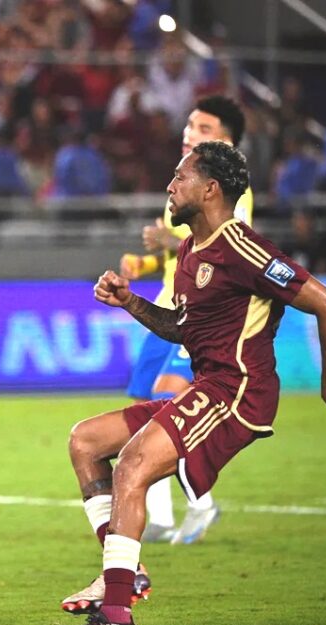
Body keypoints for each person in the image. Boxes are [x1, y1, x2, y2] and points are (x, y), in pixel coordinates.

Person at [51, 141, 326, 625]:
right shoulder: (189, 251)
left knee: (132, 463)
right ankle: (124, 571)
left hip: (239, 391)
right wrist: (131, 302)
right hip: (208, 387)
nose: (170, 187)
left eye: (180, 177)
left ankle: (115, 614)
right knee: (85, 441)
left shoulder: (243, 247)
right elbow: (182, 327)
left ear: (210, 189)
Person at [117, 95, 250, 551]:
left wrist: (168, 242)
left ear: (226, 142)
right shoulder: (183, 181)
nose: (190, 131)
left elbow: (228, 247)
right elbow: (180, 252)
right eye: (190, 123)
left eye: (203, 128)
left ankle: (202, 501)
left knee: (167, 400)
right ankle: (158, 517)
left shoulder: (230, 189)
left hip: (201, 311)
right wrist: (144, 261)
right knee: (144, 406)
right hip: (165, 304)